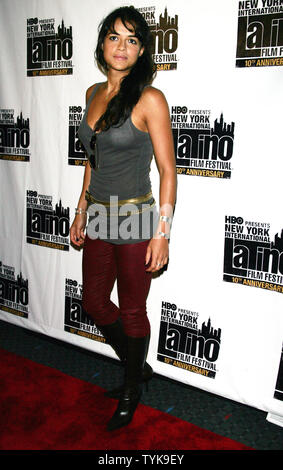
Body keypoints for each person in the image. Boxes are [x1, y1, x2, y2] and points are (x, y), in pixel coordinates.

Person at [70, 6, 176, 431]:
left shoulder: (150, 98)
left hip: (135, 216)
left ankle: (132, 385)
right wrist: (80, 209)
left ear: (142, 50)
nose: (121, 46)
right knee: (94, 301)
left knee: (133, 310)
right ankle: (139, 366)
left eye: (131, 39)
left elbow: (168, 170)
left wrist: (163, 234)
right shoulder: (93, 92)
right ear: (102, 43)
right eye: (114, 36)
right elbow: (91, 159)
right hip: (96, 215)